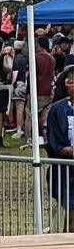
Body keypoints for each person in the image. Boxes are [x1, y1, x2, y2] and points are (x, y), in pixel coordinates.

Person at [44, 68, 74, 231]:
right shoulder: (58, 109)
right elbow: (56, 145)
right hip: (65, 172)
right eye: (69, 82)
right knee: (70, 212)